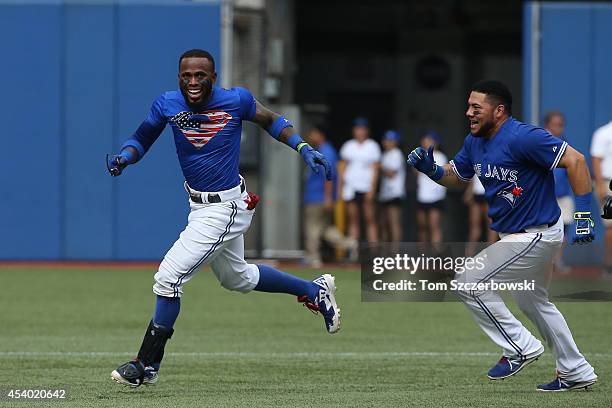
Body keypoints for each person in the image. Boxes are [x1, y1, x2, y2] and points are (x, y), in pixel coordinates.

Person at [106, 49, 341, 388]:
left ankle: (146, 365)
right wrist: (124, 157)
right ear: (178, 78)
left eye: (200, 75)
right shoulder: (167, 104)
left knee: (168, 278)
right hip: (199, 207)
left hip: (226, 207)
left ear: (213, 78)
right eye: (186, 76)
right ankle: (313, 290)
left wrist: (304, 148)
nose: (193, 82)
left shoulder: (236, 100)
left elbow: (271, 120)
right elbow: (142, 138)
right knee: (238, 278)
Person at [407, 80, 597, 391]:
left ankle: (520, 347)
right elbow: (458, 176)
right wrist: (434, 171)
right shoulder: (475, 141)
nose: (468, 112)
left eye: (475, 108)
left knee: (468, 281)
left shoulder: (524, 137)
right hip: (516, 235)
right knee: (535, 303)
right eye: (469, 106)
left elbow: (575, 161)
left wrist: (584, 214)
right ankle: (576, 370)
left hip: (534, 235)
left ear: (499, 110)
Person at [303, 125, 356, 267]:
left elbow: (329, 176)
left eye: (313, 133)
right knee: (325, 229)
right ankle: (349, 244)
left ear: (320, 134)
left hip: (318, 197)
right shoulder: (322, 150)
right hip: (318, 196)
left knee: (312, 227)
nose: (310, 136)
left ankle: (313, 257)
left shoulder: (326, 151)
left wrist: (328, 198)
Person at [338, 117, 381, 245]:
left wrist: (372, 189)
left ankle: (373, 251)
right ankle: (354, 251)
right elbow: (342, 168)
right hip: (351, 187)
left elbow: (375, 169)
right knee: (353, 220)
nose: (360, 132)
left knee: (370, 219)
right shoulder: (348, 146)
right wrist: (340, 188)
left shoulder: (373, 146)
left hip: (366, 187)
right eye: (357, 129)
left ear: (367, 131)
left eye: (362, 129)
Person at [544, 111, 573, 273]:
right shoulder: (539, 140)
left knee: (564, 229)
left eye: (561, 124)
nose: (559, 127)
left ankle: (557, 261)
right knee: (544, 230)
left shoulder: (564, 141)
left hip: (563, 194)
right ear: (548, 124)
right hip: (545, 195)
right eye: (557, 124)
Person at [415, 131, 447, 244]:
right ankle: (424, 255)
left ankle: (435, 256)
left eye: (428, 140)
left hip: (436, 196)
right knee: (422, 226)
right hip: (422, 196)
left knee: (434, 226)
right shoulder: (420, 155)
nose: (425, 142)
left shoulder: (440, 156)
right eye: (424, 139)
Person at [590, 119, 612, 276]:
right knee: (611, 226)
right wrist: (600, 186)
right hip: (607, 182)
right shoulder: (604, 133)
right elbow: (596, 159)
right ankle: (608, 263)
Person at [379, 130, 406, 242]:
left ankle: (395, 253)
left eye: (390, 140)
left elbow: (391, 173)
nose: (387, 142)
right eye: (386, 140)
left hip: (395, 193)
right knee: (384, 223)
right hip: (385, 193)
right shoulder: (385, 154)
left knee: (394, 223)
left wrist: (379, 167)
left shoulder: (397, 153)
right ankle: (385, 252)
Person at [464, 176, 497, 256]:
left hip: (490, 192)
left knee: (491, 226)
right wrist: (469, 190)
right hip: (476, 192)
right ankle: (468, 256)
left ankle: (491, 255)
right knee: (474, 225)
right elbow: (472, 173)